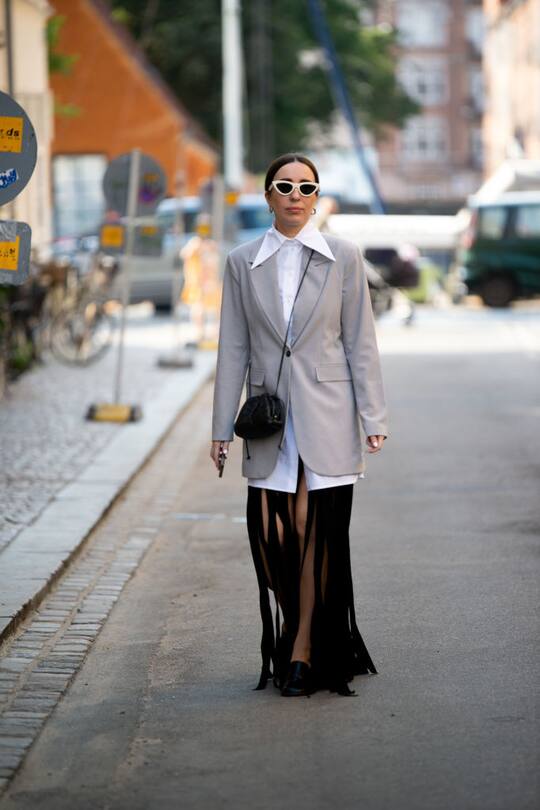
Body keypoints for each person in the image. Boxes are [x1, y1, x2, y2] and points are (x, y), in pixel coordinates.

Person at [210, 153, 388, 697]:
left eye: (305, 187)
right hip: (267, 418)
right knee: (269, 535)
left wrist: (372, 415)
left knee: (314, 530)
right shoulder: (243, 261)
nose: (294, 194)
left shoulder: (343, 256)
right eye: (283, 186)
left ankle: (305, 649)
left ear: (316, 198)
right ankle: (305, 631)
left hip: (327, 414)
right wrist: (220, 428)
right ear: (267, 195)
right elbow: (233, 347)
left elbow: (360, 340)